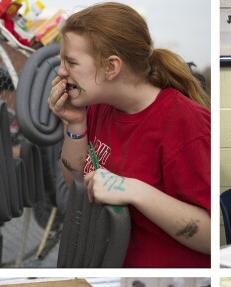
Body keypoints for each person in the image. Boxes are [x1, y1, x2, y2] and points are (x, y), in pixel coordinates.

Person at [47, 2, 210, 268]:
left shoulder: (186, 123)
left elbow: (210, 235)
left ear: (111, 67)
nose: (61, 71)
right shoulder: (99, 106)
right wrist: (74, 125)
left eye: (71, 62)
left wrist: (134, 190)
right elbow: (75, 188)